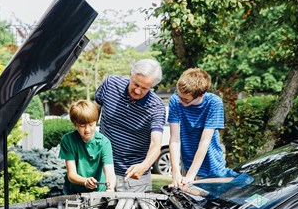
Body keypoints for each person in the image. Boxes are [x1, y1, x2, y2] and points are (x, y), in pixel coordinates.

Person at [94, 59, 166, 192]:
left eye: (144, 88)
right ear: (130, 75)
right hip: (101, 169)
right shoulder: (110, 84)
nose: (138, 91)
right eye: (135, 84)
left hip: (134, 177)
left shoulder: (157, 107)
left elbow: (156, 144)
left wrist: (144, 166)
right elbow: (94, 112)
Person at [168, 68, 234, 189]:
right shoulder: (175, 100)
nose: (181, 101)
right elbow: (174, 139)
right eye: (179, 96)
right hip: (187, 165)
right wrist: (176, 173)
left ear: (200, 95)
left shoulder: (214, 103)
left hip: (213, 169)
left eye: (186, 99)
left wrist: (190, 177)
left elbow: (204, 142)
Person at [59, 100, 116, 194]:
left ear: (96, 121)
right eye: (82, 126)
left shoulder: (104, 143)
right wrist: (85, 181)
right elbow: (71, 174)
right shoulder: (68, 140)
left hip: (99, 192)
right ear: (75, 124)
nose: (87, 130)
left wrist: (110, 188)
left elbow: (109, 170)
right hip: (73, 192)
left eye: (91, 125)